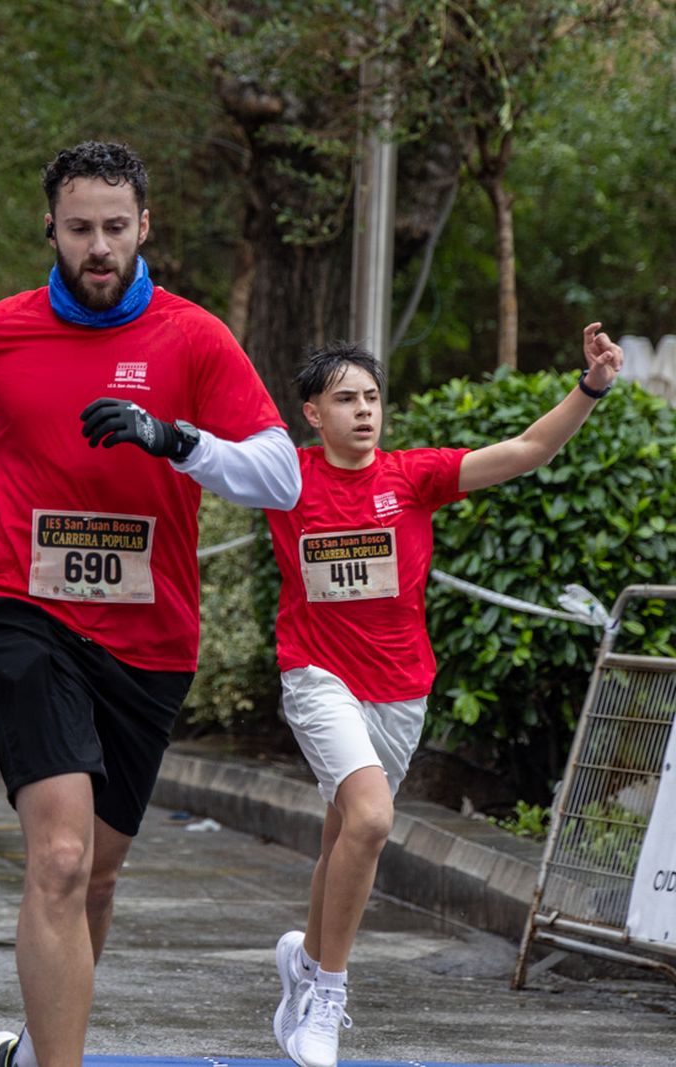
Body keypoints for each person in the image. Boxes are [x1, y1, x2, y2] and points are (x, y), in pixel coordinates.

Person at [0, 142, 300, 1067]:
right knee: (59, 857)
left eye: (115, 229)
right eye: (80, 228)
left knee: (99, 871)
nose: (98, 247)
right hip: (18, 609)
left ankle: (40, 1046)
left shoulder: (193, 337)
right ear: (49, 225)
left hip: (151, 635)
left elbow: (280, 475)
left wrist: (175, 438)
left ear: (144, 227)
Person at [263, 326, 623, 1067]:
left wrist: (590, 388)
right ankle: (328, 990)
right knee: (370, 819)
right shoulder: (287, 478)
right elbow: (201, 458)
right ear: (312, 413)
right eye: (346, 399)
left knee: (343, 835)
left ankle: (302, 965)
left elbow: (526, 451)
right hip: (317, 674)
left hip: (399, 688)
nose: (364, 411)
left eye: (372, 397)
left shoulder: (414, 475)